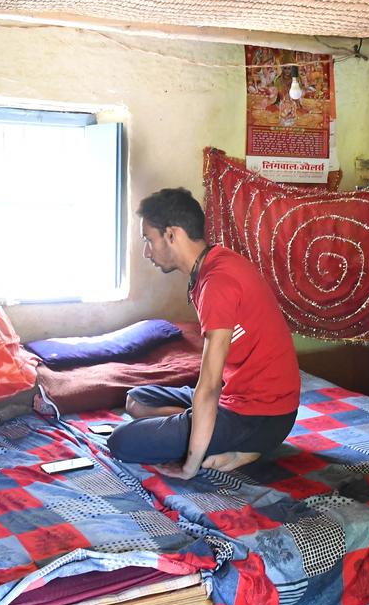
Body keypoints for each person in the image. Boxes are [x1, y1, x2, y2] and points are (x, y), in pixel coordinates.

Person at [107, 188, 300, 479]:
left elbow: (208, 386)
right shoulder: (212, 264)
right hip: (238, 398)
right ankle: (205, 433)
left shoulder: (217, 283)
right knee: (137, 398)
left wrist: (189, 467)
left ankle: (234, 445)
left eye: (149, 239)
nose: (147, 251)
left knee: (122, 441)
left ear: (172, 234)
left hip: (261, 415)